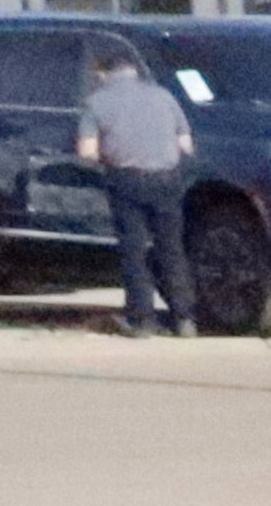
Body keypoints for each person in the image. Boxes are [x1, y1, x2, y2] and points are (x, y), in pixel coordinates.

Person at [77, 38, 194, 334]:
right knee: (171, 249)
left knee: (134, 250)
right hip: (167, 179)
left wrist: (107, 155)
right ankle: (184, 318)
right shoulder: (164, 96)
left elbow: (87, 152)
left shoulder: (96, 102)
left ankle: (142, 320)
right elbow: (186, 145)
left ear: (104, 74)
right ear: (133, 71)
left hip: (126, 179)